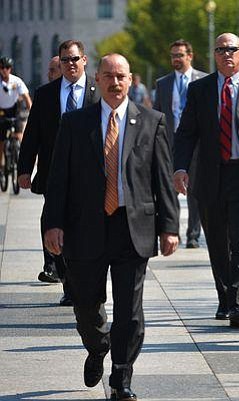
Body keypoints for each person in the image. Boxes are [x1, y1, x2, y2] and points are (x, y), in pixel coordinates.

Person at [42, 53, 179, 400]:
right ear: (98, 79)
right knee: (86, 303)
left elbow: (162, 178)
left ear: (130, 80)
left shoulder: (152, 121)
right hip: (85, 227)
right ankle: (97, 345)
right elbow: (59, 179)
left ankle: (121, 377)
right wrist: (53, 224)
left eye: (121, 76)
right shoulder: (75, 123)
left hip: (132, 228)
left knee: (130, 310)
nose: (115, 83)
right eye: (108, 76)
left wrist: (170, 226)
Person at [174, 33, 239, 326]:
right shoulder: (200, 89)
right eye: (220, 50)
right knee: (217, 242)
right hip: (210, 176)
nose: (226, 54)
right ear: (214, 55)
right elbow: (187, 131)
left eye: (232, 50)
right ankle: (224, 297)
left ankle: (237, 302)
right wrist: (180, 168)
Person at [18, 40, 99, 306]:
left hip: (92, 176)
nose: (71, 64)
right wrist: (24, 169)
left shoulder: (97, 92)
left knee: (88, 230)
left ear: (84, 60)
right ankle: (68, 282)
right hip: (56, 174)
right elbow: (32, 135)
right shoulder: (45, 94)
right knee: (53, 225)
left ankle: (90, 282)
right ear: (60, 62)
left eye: (75, 59)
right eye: (65, 60)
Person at [154, 39, 207, 249]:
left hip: (195, 144)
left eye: (180, 55)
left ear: (189, 56)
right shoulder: (163, 83)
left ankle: (193, 235)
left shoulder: (202, 80)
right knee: (168, 189)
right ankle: (171, 230)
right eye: (173, 55)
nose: (176, 59)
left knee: (194, 191)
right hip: (170, 144)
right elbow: (158, 113)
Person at [0, 56, 32, 169]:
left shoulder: (16, 81)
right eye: (2, 67)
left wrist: (33, 114)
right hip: (2, 112)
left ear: (11, 69)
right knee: (2, 140)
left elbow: (26, 98)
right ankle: (2, 162)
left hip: (15, 111)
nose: (5, 70)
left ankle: (21, 157)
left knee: (19, 136)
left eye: (7, 67)